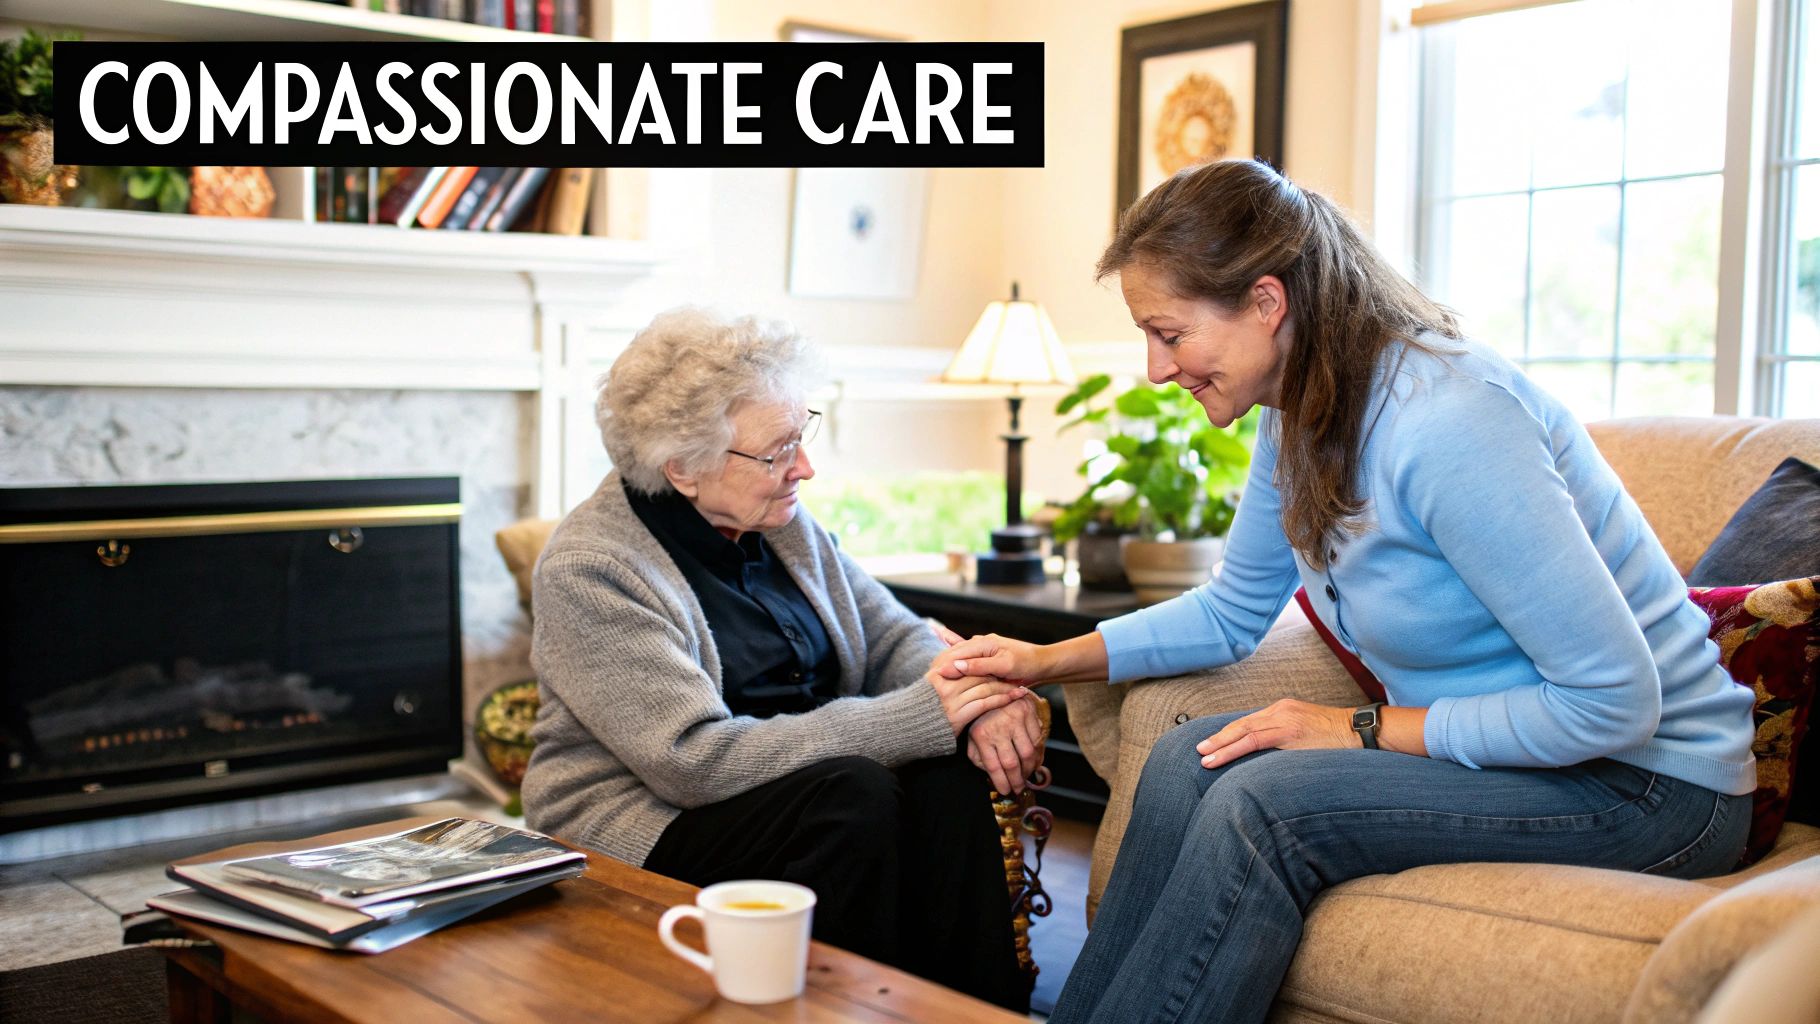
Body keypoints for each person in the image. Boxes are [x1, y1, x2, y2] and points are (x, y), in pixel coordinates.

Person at [935, 159, 1758, 1024]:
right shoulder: (1298, 412)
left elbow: (1615, 704)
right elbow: (1231, 612)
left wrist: (1356, 728)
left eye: (1169, 334)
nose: (1155, 368)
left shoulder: (1450, 421)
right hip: (1536, 759)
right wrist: (1041, 660)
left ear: (1266, 302)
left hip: (1651, 786)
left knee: (1263, 804)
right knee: (1187, 761)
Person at [520, 307, 1042, 1011]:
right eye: (778, 450)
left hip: (812, 786)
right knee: (853, 795)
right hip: (648, 814)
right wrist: (922, 714)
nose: (805, 467)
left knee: (945, 774)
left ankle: (974, 1011)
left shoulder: (781, 523)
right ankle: (841, 1009)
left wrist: (972, 698)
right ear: (685, 468)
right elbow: (691, 761)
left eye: (802, 434)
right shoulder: (593, 568)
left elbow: (894, 635)